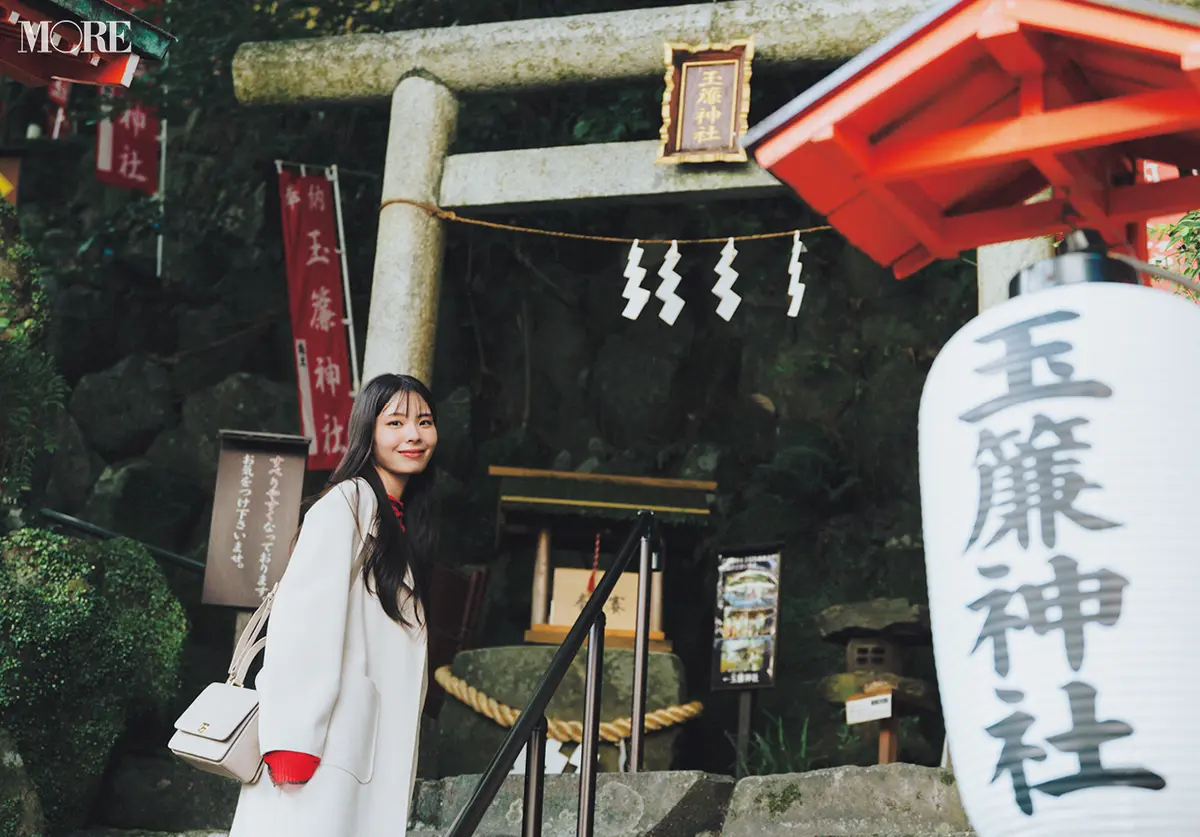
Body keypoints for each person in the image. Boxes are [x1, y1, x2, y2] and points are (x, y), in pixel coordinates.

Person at [229, 373, 439, 837]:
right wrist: (292, 740)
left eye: (424, 422)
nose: (413, 435)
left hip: (353, 747)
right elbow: (304, 621)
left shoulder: (398, 522)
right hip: (319, 748)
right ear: (368, 431)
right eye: (396, 422)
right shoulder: (348, 502)